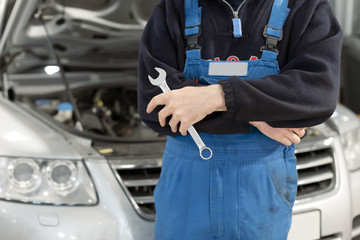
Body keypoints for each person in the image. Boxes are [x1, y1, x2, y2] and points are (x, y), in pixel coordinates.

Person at [137, 0, 342, 239]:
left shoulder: (305, 6)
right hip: (187, 192)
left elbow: (318, 92)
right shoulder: (174, 7)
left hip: (260, 195)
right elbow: (154, 104)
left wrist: (217, 97)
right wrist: (255, 116)